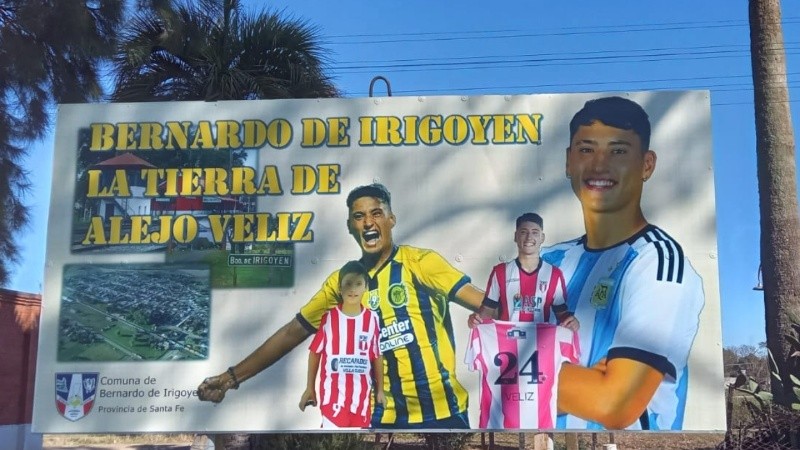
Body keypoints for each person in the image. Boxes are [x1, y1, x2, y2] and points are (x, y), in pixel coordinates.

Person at [197, 183, 486, 429]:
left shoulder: (420, 263)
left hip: (442, 413)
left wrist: (490, 315)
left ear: (391, 219)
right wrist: (230, 379)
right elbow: (292, 332)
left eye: (376, 213)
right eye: (359, 217)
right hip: (379, 419)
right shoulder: (343, 282)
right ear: (350, 227)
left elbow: (487, 305)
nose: (368, 222)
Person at [541, 96, 704, 430]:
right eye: (586, 149)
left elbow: (613, 403)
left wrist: (519, 370)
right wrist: (584, 379)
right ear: (569, 161)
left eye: (618, 151)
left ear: (647, 165)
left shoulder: (658, 262)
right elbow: (494, 358)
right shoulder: (549, 259)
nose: (599, 165)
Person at [299, 260, 385, 429]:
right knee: (333, 435)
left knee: (357, 439)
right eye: (348, 284)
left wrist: (380, 390)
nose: (353, 289)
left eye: (358, 284)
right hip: (333, 400)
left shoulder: (372, 319)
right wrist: (310, 387)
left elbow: (376, 355)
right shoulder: (330, 318)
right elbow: (315, 352)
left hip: (361, 403)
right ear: (340, 288)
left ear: (366, 287)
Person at [471, 212, 579, 331]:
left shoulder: (554, 274)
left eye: (535, 232)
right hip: (507, 340)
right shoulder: (500, 272)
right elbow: (487, 310)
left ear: (542, 238)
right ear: (515, 236)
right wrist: (476, 319)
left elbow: (562, 314)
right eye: (523, 232)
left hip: (540, 341)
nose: (529, 237)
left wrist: (571, 321)